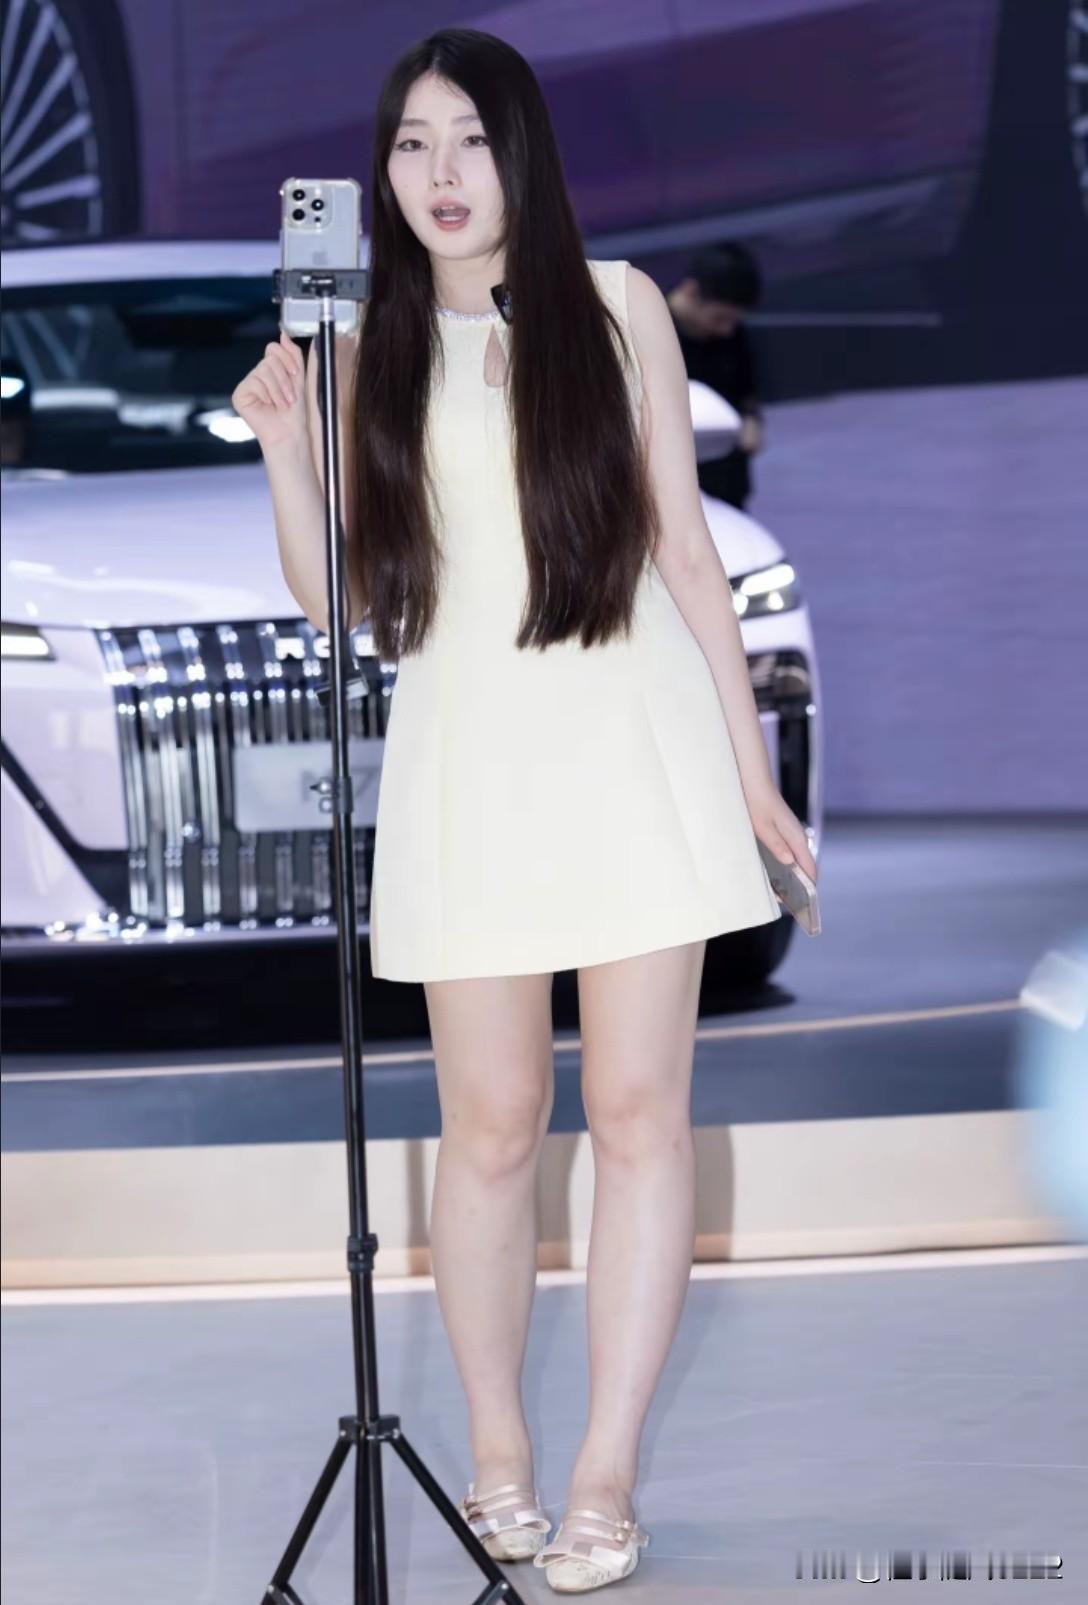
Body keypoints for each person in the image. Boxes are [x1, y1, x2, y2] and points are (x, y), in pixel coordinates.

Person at [233, 27, 815, 1594]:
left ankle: (606, 1474)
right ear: (383, 173)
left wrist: (752, 772)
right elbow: (347, 597)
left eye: (471, 141)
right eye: (411, 144)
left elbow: (686, 553)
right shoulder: (370, 344)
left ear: (522, 156)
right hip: (469, 765)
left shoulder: (617, 309)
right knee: (489, 1128)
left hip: (633, 743)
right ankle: (496, 1458)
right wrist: (287, 446)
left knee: (636, 1115)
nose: (441, 174)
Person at [667, 242, 765, 510]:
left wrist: (751, 419)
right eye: (719, 318)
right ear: (691, 292)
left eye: (733, 320)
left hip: (727, 483)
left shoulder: (733, 336)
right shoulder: (649, 330)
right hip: (673, 487)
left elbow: (746, 389)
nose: (726, 330)